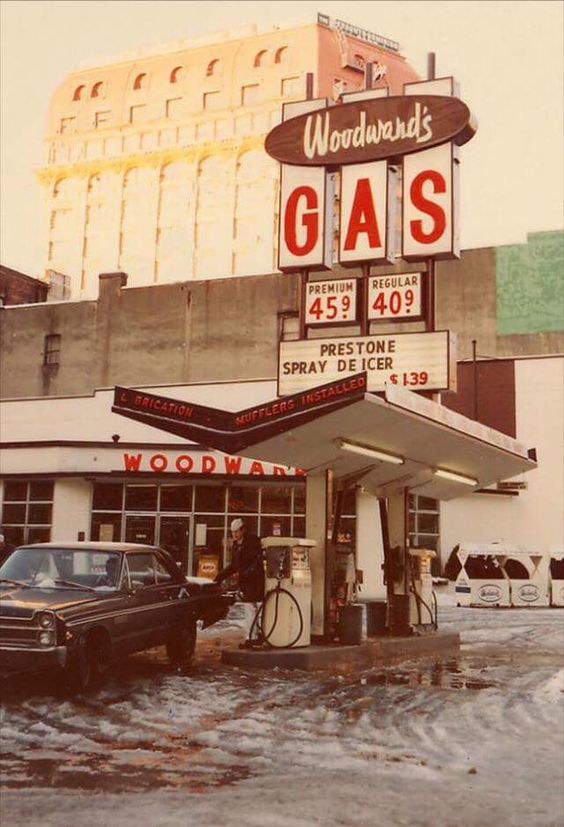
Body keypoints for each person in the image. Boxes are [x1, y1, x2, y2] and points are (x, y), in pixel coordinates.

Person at [214, 518, 264, 646]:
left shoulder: (253, 541)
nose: (235, 535)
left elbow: (257, 560)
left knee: (258, 608)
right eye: (233, 532)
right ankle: (252, 636)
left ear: (243, 530)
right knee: (250, 609)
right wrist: (220, 576)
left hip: (256, 581)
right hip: (246, 583)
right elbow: (234, 565)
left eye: (237, 531)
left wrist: (247, 573)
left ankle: (258, 635)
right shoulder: (236, 545)